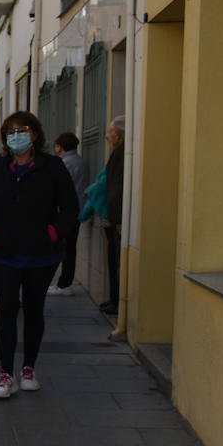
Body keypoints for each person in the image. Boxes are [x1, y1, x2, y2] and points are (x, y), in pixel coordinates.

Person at [0, 111, 79, 399]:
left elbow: (70, 208)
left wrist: (53, 233)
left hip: (41, 255)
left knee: (34, 310)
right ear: (5, 138)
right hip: (4, 253)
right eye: (11, 132)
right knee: (6, 309)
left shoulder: (52, 167)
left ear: (34, 134)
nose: (16, 136)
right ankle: (6, 374)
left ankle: (29, 368)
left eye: (22, 130)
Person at [49, 132, 87, 296]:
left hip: (65, 213)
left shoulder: (64, 163)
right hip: (78, 209)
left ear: (60, 146)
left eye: (56, 145)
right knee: (70, 247)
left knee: (63, 248)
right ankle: (65, 282)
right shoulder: (80, 161)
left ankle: (64, 284)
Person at [99, 118, 125, 315]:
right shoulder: (120, 152)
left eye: (110, 134)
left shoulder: (121, 153)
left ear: (118, 135)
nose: (108, 137)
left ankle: (117, 301)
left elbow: (116, 187)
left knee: (116, 262)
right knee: (114, 262)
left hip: (117, 219)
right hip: (115, 217)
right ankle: (115, 300)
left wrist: (115, 218)